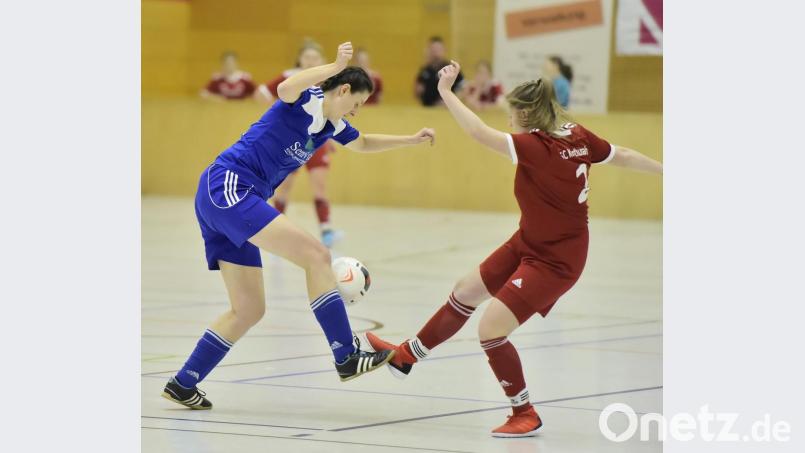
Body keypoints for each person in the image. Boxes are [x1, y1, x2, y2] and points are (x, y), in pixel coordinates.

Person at [363, 61, 662, 437]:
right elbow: (624, 155)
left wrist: (445, 92)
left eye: (511, 114)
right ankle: (407, 357)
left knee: (491, 329)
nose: (508, 121)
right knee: (465, 290)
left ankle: (525, 412)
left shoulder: (537, 147)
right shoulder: (575, 134)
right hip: (530, 241)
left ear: (526, 114)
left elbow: (477, 131)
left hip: (557, 259)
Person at [162, 42, 437, 410]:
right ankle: (346, 354)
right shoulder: (304, 98)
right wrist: (334, 64)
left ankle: (184, 382)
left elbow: (366, 142)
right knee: (316, 255)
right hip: (229, 186)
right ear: (342, 90)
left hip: (233, 199)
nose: (356, 113)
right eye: (356, 104)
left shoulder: (332, 126)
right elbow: (282, 89)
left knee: (248, 309)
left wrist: (411, 140)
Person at [256, 39, 343, 247]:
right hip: (290, 141)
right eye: (307, 57)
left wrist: (329, 136)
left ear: (322, 60)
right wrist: (278, 117)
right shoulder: (290, 77)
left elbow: (332, 111)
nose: (311, 61)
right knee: (284, 187)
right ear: (299, 59)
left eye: (315, 57)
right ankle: (274, 230)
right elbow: (260, 93)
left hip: (315, 141)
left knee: (319, 185)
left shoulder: (328, 80)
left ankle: (326, 230)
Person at [415, 36, 464, 106]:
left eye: (438, 49)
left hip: (447, 108)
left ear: (444, 49)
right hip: (428, 109)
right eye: (433, 49)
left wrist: (452, 101)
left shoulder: (451, 68)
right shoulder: (425, 70)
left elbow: (463, 88)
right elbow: (417, 92)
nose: (435, 52)